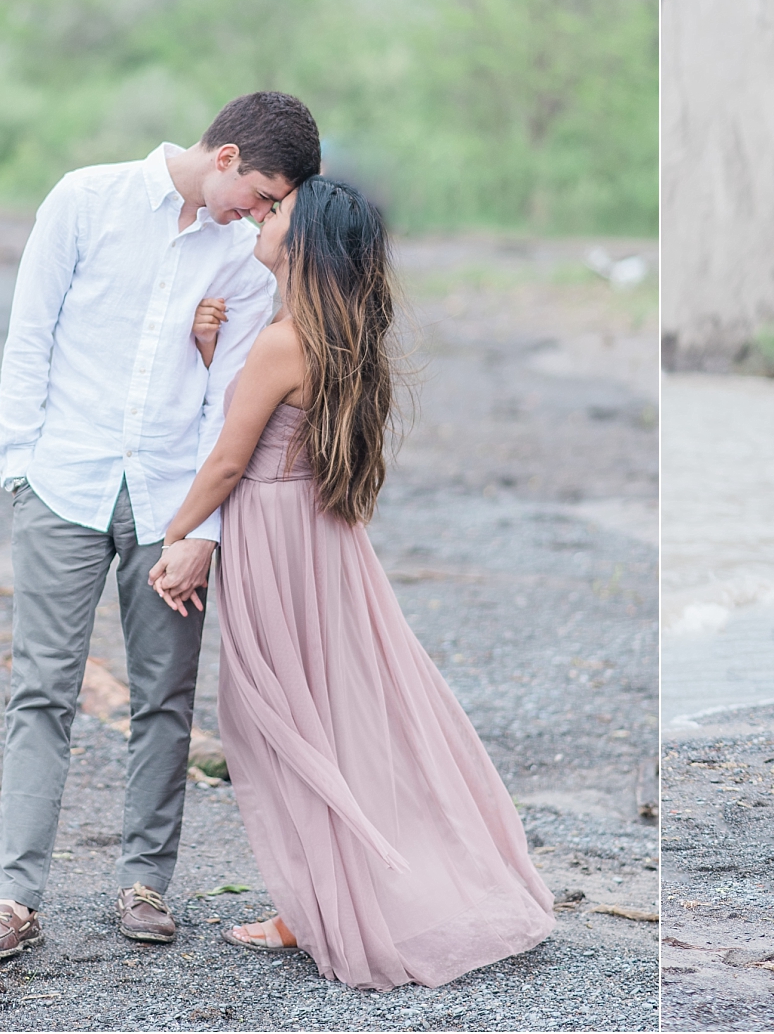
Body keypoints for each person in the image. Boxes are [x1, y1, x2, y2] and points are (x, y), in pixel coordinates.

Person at [148, 175, 555, 990]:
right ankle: (320, 896)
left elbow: (230, 458)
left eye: (278, 213)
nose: (263, 218)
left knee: (274, 716)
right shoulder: (333, 337)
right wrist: (205, 350)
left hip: (274, 534)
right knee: (330, 709)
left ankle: (319, 904)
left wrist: (178, 531)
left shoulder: (280, 341)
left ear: (306, 246)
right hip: (324, 537)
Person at [0, 92, 322, 963]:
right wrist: (18, 466)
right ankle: (14, 896)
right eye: (265, 193)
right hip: (62, 483)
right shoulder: (85, 200)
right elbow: (30, 334)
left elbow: (226, 402)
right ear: (227, 154)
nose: (264, 214)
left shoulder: (243, 257)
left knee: (165, 696)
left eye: (277, 207)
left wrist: (201, 529)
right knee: (40, 689)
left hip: (171, 501)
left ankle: (145, 883)